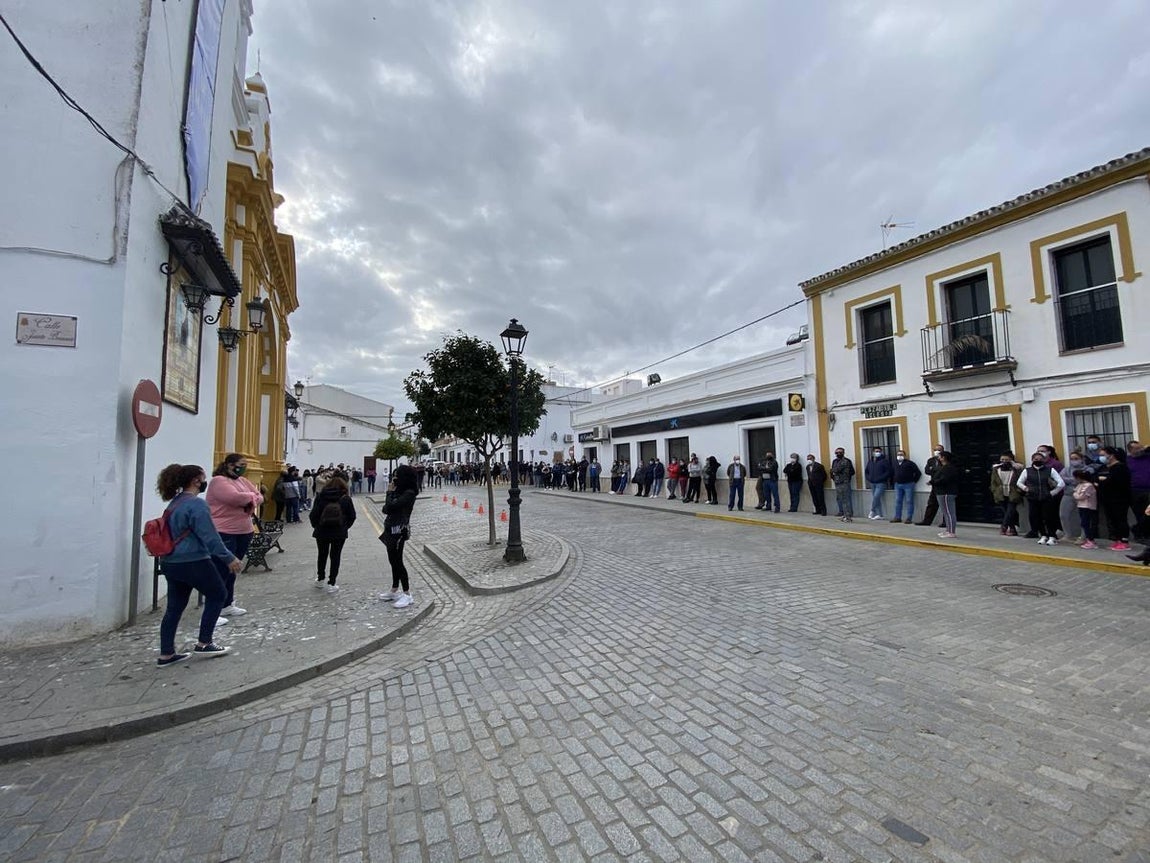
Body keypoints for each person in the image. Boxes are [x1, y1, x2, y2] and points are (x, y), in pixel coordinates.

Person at [154, 463, 239, 665]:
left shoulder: (175, 503)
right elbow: (210, 536)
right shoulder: (196, 505)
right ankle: (204, 643)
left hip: (171, 561)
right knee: (218, 593)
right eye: (202, 478)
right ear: (195, 481)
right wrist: (229, 557)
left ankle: (166, 653)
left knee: (174, 607)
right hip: (193, 560)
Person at [206, 453, 263, 620]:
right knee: (222, 570)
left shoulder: (242, 481)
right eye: (241, 464)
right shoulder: (218, 481)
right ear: (229, 464)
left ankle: (227, 604)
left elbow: (260, 497)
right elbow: (234, 498)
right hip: (224, 532)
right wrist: (252, 497)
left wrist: (252, 498)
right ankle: (213, 611)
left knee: (233, 570)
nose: (243, 467)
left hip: (243, 531)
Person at [309, 475, 356, 592]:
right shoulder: (345, 499)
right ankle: (332, 582)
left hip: (322, 531)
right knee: (335, 556)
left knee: (322, 554)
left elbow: (313, 515)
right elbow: (352, 516)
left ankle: (320, 579)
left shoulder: (320, 497)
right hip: (339, 532)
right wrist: (345, 527)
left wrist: (317, 526)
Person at [380, 464, 419, 608]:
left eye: (397, 476)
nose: (394, 479)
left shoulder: (409, 493)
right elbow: (386, 508)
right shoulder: (399, 491)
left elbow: (391, 506)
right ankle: (394, 588)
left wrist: (389, 494)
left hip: (399, 530)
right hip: (390, 527)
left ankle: (407, 593)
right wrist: (391, 498)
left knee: (398, 560)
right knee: (392, 559)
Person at [1017, 450, 1065, 545]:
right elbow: (1019, 482)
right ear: (1032, 460)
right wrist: (1026, 489)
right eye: (1036, 459)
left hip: (1047, 498)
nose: (1038, 460)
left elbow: (1061, 483)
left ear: (1044, 460)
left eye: (1040, 459)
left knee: (1048, 517)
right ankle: (1043, 535)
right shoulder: (1027, 471)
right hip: (1033, 498)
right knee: (1036, 517)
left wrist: (1053, 493)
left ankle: (1052, 536)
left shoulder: (1050, 470)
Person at [1096, 446, 1131, 551]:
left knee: (1121, 519)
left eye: (1103, 455)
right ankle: (1118, 540)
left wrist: (1104, 481)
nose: (1101, 457)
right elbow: (1095, 478)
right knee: (1112, 520)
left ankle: (1124, 540)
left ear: (1111, 455)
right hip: (1107, 498)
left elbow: (1117, 482)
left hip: (1119, 499)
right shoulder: (1105, 467)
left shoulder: (1120, 467)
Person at [1059, 451, 1092, 544]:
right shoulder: (1066, 469)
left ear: (1082, 459)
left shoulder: (1088, 469)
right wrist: (1074, 480)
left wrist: (1069, 480)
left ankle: (1083, 536)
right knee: (1063, 515)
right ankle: (1068, 535)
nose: (1074, 461)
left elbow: (1083, 479)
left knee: (1083, 517)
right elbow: (1061, 478)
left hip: (1082, 496)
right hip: (1068, 494)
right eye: (1072, 459)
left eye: (1076, 459)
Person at [989, 452, 1024, 536]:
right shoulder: (996, 469)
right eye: (1002, 460)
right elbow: (993, 481)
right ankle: (1012, 529)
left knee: (1010, 510)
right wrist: (995, 490)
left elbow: (1021, 479)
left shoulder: (1016, 469)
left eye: (1006, 460)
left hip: (1013, 493)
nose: (1004, 461)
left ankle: (1004, 526)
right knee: (1006, 511)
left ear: (1011, 460)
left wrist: (1019, 490)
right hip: (1001, 493)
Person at [932, 451, 960, 538]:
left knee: (949, 512)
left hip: (946, 492)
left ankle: (951, 532)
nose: (938, 458)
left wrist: (933, 482)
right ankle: (948, 530)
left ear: (943, 457)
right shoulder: (944, 467)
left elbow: (944, 479)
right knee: (946, 513)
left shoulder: (948, 468)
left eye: (940, 456)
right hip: (942, 492)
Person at [1127, 441, 1150, 543]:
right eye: (1136, 448)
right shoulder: (1127, 460)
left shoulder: (1147, 457)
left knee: (1148, 514)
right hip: (1134, 491)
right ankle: (1141, 535)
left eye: (1140, 447)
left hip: (1148, 489)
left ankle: (1138, 529)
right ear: (1130, 450)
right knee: (1139, 514)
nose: (1140, 450)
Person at [915, 446, 944, 526]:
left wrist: (933, 469)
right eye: (935, 450)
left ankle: (945, 522)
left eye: (939, 450)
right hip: (934, 485)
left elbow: (943, 471)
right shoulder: (931, 460)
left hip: (943, 485)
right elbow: (927, 470)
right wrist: (935, 470)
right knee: (931, 503)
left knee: (944, 504)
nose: (937, 451)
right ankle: (927, 521)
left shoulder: (945, 460)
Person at [890, 450, 921, 523]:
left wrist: (913, 481)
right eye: (898, 454)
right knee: (898, 501)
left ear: (904, 456)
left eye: (901, 454)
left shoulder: (910, 463)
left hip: (908, 485)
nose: (899, 456)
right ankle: (897, 517)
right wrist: (893, 482)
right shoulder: (894, 463)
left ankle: (909, 518)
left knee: (909, 501)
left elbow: (918, 473)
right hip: (897, 485)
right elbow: (892, 473)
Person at [1072, 469, 1099, 549]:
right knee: (1084, 523)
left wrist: (1075, 494)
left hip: (1088, 507)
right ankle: (1089, 539)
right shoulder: (1080, 485)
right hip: (1081, 506)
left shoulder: (1088, 485)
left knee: (1086, 524)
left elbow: (1081, 496)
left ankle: (1091, 540)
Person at [864, 447, 892, 519]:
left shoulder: (884, 461)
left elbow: (888, 472)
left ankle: (872, 510)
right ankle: (879, 515)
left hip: (881, 483)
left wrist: (881, 478)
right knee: (876, 498)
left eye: (879, 451)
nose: (878, 452)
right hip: (872, 483)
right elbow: (866, 471)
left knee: (876, 497)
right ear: (873, 452)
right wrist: (869, 478)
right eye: (876, 451)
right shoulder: (870, 461)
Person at [830, 447, 855, 522]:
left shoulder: (845, 461)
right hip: (837, 482)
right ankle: (844, 515)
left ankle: (848, 516)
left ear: (843, 453)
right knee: (841, 499)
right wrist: (833, 475)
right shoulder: (835, 461)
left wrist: (834, 471)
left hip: (844, 482)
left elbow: (836, 470)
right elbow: (832, 471)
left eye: (840, 452)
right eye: (837, 453)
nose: (838, 454)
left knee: (845, 500)